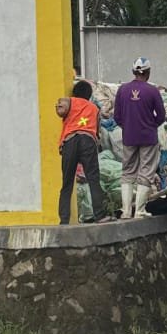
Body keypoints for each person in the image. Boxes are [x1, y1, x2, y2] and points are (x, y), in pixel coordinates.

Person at [112, 57, 165, 219]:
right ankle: (140, 211)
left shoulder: (122, 90)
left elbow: (117, 116)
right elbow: (161, 115)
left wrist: (128, 126)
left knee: (127, 172)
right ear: (148, 72)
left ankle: (126, 211)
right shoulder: (152, 91)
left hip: (129, 137)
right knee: (146, 171)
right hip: (148, 137)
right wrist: (151, 125)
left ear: (133, 71)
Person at [56, 80, 112, 225]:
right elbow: (97, 133)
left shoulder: (70, 101)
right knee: (93, 180)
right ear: (89, 95)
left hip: (70, 141)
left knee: (67, 183)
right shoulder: (94, 108)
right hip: (88, 141)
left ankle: (64, 220)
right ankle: (99, 215)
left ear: (75, 92)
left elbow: (60, 110)